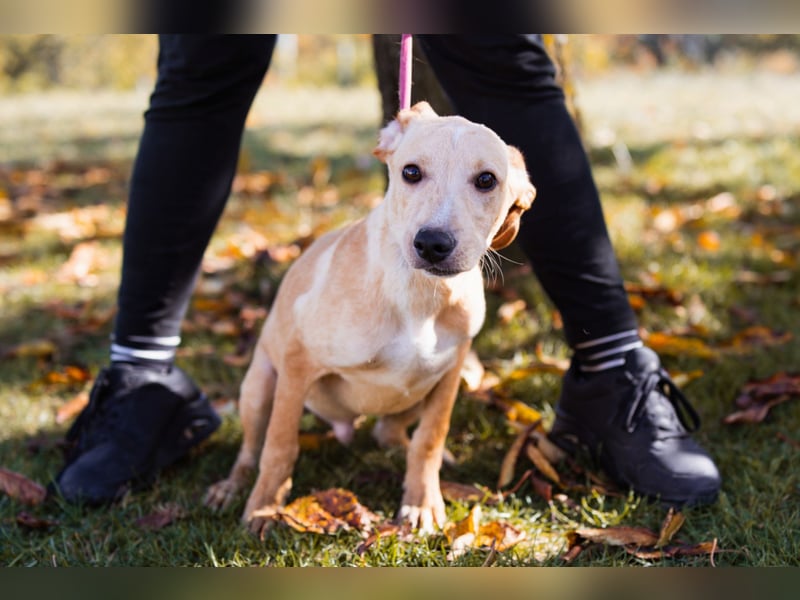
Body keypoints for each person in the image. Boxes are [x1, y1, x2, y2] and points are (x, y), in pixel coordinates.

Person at [52, 35, 721, 508]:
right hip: (310, 377)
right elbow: (293, 354)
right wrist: (271, 467)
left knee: (500, 48)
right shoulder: (352, 280)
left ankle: (610, 367)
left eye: (486, 185)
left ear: (514, 204)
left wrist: (423, 467)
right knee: (203, 54)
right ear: (389, 153)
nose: (438, 225)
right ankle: (142, 374)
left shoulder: (470, 294)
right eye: (414, 174)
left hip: (405, 373)